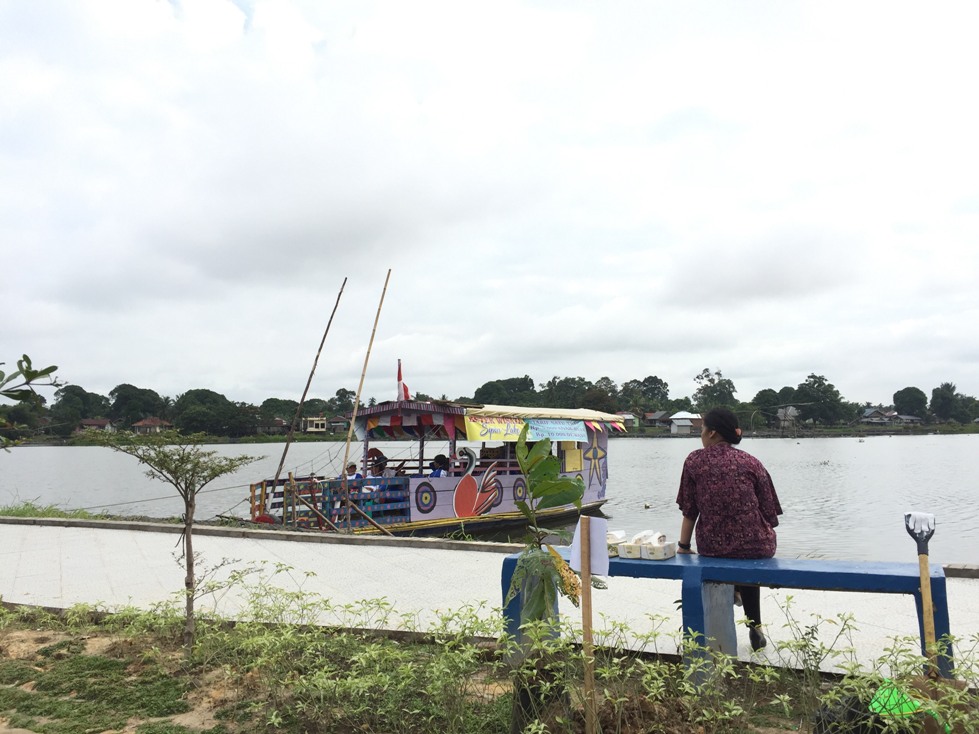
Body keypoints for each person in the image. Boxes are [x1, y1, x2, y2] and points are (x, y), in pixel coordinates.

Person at [675, 407, 783, 652]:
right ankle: (754, 626)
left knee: (729, 557)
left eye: (702, 429)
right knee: (746, 559)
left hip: (714, 547)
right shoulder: (751, 462)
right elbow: (770, 513)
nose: (700, 434)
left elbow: (690, 510)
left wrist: (683, 546)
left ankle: (734, 595)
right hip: (758, 546)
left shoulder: (694, 461)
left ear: (712, 433)